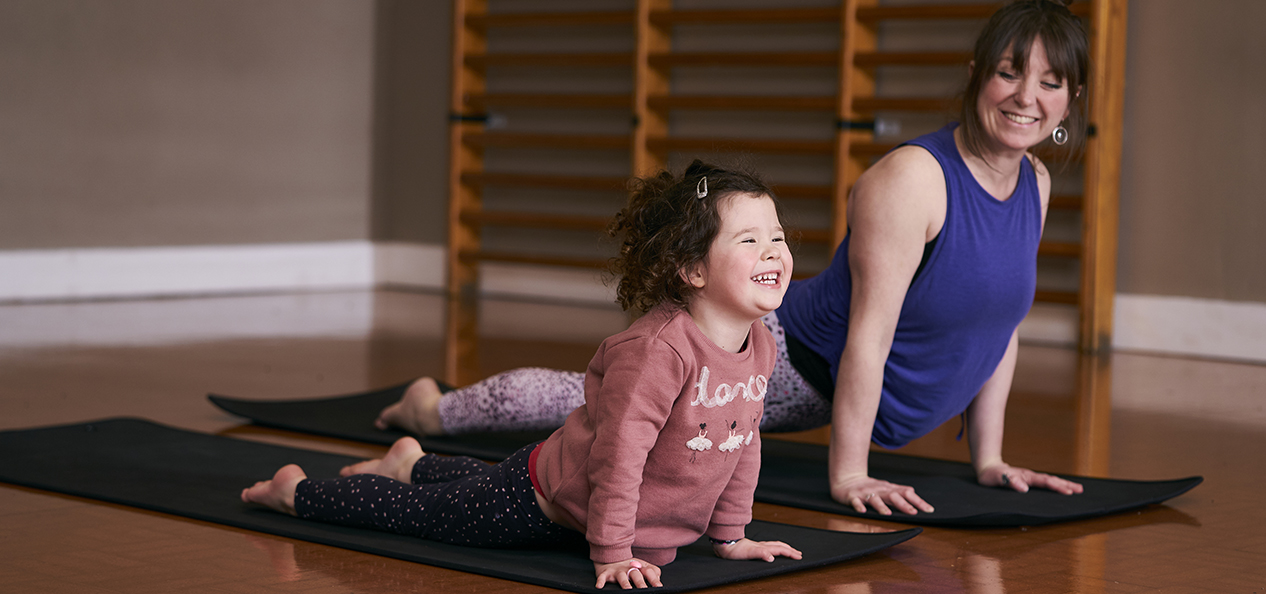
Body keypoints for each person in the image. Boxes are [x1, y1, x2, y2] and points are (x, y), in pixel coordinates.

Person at [375, 0, 1090, 517]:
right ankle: (434, 411)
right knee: (599, 407)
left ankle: (436, 413)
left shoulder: (1035, 182)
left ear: (1069, 99)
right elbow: (867, 337)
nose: (1026, 96)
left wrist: (989, 461)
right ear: (975, 77)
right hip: (780, 355)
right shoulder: (914, 181)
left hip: (821, 382)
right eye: (1008, 73)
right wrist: (848, 476)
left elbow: (1001, 325)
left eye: (1050, 82)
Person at [242, 161, 802, 589]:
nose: (773, 250)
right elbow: (620, 454)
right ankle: (297, 492)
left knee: (465, 485)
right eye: (749, 240)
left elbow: (739, 440)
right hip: (541, 498)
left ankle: (410, 461)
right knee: (424, 515)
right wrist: (611, 551)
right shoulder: (658, 352)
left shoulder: (758, 345)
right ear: (692, 269)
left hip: (593, 508)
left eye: (776, 236)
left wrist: (732, 537)